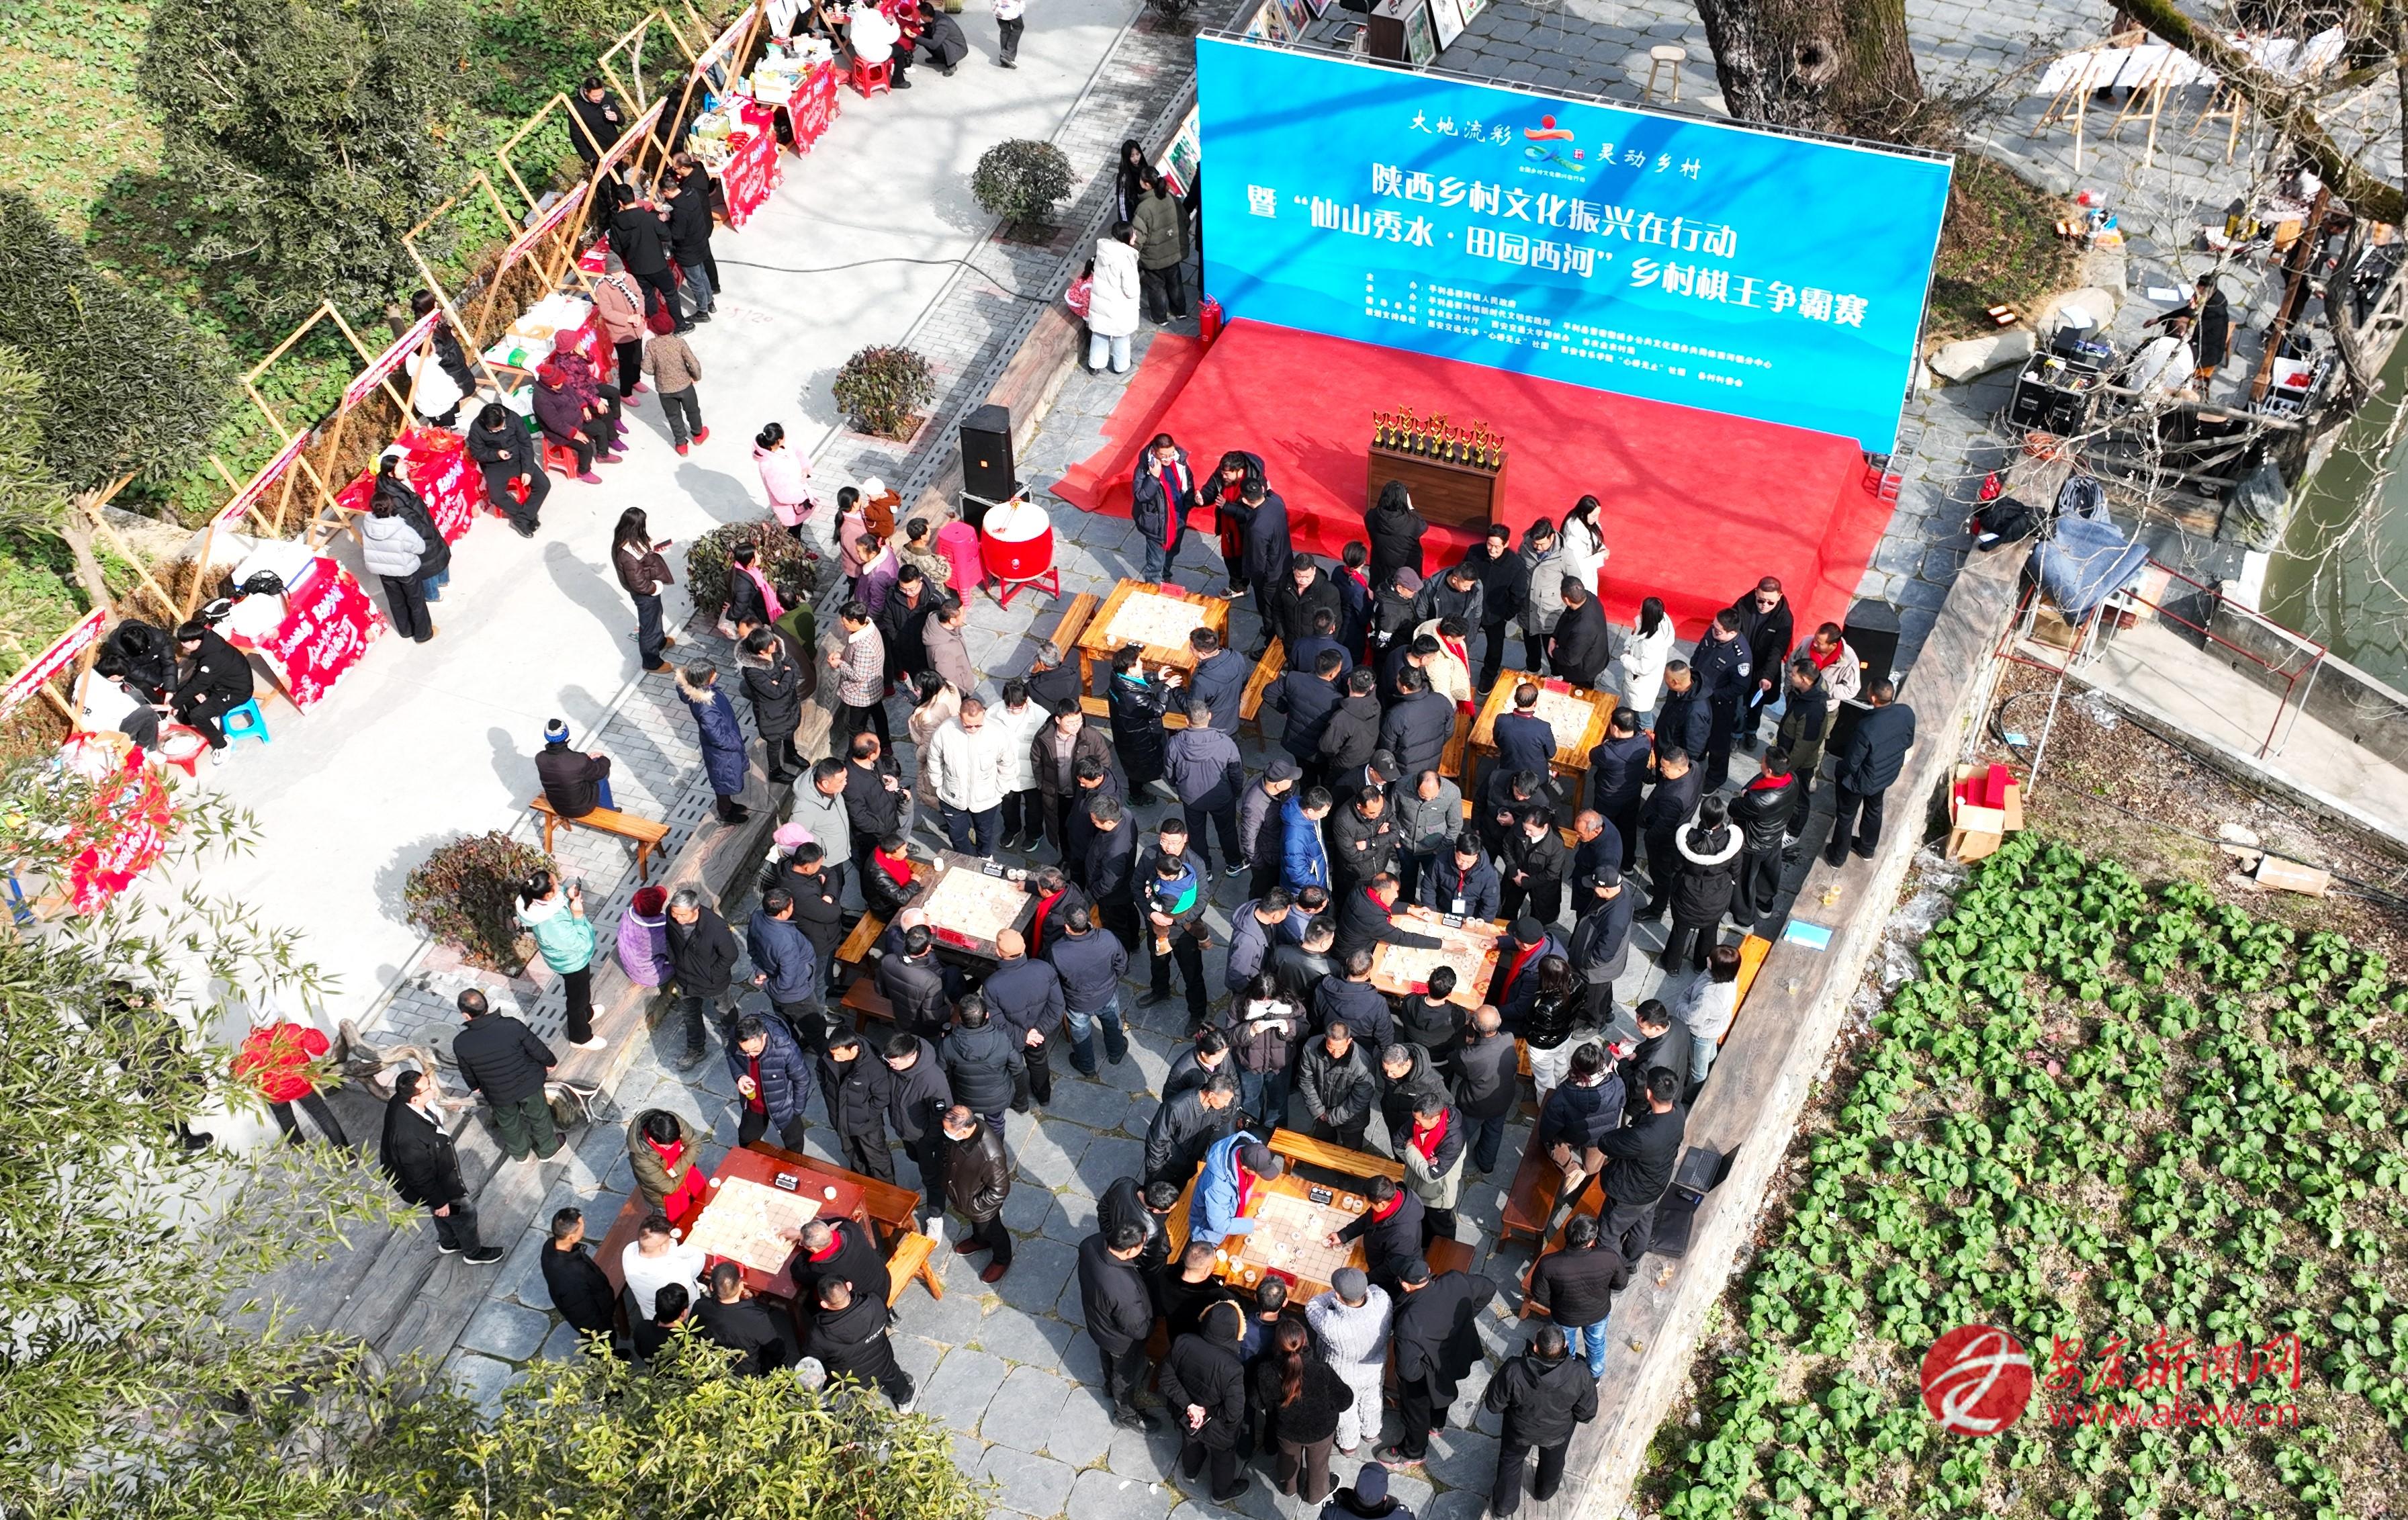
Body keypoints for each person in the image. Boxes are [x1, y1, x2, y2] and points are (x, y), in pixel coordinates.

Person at [1380, 1257, 1497, 1467]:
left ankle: (1413, 1452)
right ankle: (1437, 1424)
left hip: (1428, 1372)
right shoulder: (1455, 1280)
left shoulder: (1409, 1323)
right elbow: (1489, 1288)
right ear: (1428, 1272)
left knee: (1416, 1414)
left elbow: (1409, 1372)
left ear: (1405, 1285)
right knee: (1444, 1389)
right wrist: (1466, 1318)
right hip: (1456, 1353)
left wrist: (1425, 1370)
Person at [380, 1069, 502, 1263]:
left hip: (431, 1182)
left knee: (443, 1212)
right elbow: (420, 1177)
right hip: (438, 1185)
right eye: (428, 1087)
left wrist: (438, 1204)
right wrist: (439, 1201)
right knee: (464, 1213)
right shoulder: (410, 1138)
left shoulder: (401, 1101)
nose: (433, 1088)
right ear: (415, 1099)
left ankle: (449, 1242)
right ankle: (473, 1253)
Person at [1485, 1323, 1601, 1514]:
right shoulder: (1580, 1374)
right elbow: (1587, 1413)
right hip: (1557, 1433)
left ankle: (1504, 1507)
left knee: (1511, 1462)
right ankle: (1544, 1492)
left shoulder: (1514, 1369)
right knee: (1553, 1463)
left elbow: (1494, 1404)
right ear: (1565, 1347)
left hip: (1519, 1431)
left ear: (1536, 1347)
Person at [1251, 1313, 1353, 1503]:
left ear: (1277, 1345)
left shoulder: (1266, 1371)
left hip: (1286, 1430)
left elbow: (1257, 1402)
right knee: (1318, 1465)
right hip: (1321, 1431)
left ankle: (1289, 1488)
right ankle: (1316, 1495)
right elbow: (1345, 1400)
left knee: (1288, 1460)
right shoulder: (1321, 1370)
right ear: (1305, 1342)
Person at [449, 988, 560, 1161]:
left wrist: (475, 1086)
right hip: (528, 1083)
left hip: (498, 1092)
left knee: (509, 1123)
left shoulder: (461, 1042)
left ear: (466, 1015)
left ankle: (520, 1155)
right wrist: (550, 1061)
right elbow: (535, 1047)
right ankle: (547, 1150)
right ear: (486, 1006)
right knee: (539, 1116)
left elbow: (466, 1070)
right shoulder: (511, 1025)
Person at [1592, 1067, 1688, 1261]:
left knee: (1608, 1234)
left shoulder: (1642, 1137)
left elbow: (1606, 1143)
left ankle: (1612, 1269)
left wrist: (1627, 1128)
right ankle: (1630, 1263)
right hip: (1656, 1185)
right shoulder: (1678, 1112)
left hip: (1631, 1194)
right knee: (1642, 1227)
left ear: (1649, 1093)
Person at [1164, 1298, 1251, 1504]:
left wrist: (1190, 1406)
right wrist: (1207, 1412)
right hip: (1218, 1427)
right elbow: (1234, 1412)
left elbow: (1166, 1378)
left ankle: (1191, 1472)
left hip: (1188, 1415)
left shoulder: (1183, 1342)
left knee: (1190, 1441)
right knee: (1223, 1458)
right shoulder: (1233, 1368)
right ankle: (1221, 1493)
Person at [1523, 1213, 1628, 1380]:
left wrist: (1558, 1301)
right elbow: (1620, 1284)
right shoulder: (1609, 1257)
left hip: (1565, 1316)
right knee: (1596, 1345)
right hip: (1598, 1313)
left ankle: (1568, 1375)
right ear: (1591, 1241)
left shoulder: (1548, 1264)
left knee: (1565, 1346)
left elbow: (1540, 1293)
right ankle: (1595, 1376)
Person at [1826, 679, 1916, 866]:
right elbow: (1908, 742)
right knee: (1874, 809)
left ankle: (1837, 857)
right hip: (1885, 775)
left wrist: (1839, 771)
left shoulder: (1866, 727)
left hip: (1860, 780)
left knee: (1846, 816)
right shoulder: (1906, 712)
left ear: (1873, 697)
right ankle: (1867, 849)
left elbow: (1851, 763)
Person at [1079, 1222, 1161, 1429]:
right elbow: (1137, 1329)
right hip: (1122, 1341)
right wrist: (1151, 1326)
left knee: (1107, 1354)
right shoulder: (1124, 1289)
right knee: (1125, 1377)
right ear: (1130, 1251)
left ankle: (1109, 1384)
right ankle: (1126, 1415)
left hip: (1100, 1323)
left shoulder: (1090, 1244)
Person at [1305, 1267, 1393, 1458]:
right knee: (1373, 1398)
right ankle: (1371, 1432)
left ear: (1338, 1295)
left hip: (1343, 1373)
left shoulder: (1332, 1325)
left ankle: (1349, 1444)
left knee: (1346, 1409)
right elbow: (1375, 1289)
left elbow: (1312, 1306)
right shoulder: (1383, 1301)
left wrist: (1335, 1295)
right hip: (1374, 1366)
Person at [230, 1018, 350, 1147]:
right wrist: (309, 1033)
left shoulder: (250, 1045)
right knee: (322, 1115)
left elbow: (241, 1075)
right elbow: (320, 1047)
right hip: (301, 1084)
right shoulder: (292, 1031)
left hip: (273, 1091)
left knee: (284, 1118)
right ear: (276, 1017)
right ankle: (345, 1151)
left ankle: (298, 1146)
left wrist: (233, 1065)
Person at [517, 870, 601, 1050]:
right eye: (555, 884)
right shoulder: (553, 925)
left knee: (583, 991)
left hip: (568, 958)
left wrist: (567, 895)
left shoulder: (536, 901)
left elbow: (557, 896)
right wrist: (578, 916)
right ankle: (580, 1037)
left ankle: (588, 1013)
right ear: (548, 895)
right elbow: (580, 944)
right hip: (572, 962)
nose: (559, 884)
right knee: (577, 999)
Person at [803, 1277, 916, 1407]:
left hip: (852, 1381)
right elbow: (885, 1316)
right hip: (884, 1362)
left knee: (845, 1395)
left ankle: (858, 1411)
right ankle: (905, 1400)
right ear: (849, 1287)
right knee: (893, 1376)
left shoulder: (818, 1335)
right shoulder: (874, 1303)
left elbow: (813, 1360)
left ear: (824, 1304)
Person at [982, 928, 1063, 1109]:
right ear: (1024, 947)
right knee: (1039, 1063)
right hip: (1037, 1034)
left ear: (998, 952)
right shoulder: (1043, 969)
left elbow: (997, 1021)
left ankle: (1019, 1102)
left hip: (1011, 1038)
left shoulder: (992, 985)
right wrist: (1038, 1031)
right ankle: (1044, 1097)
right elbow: (1057, 1006)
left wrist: (1022, 1036)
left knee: (1012, 1068)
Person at [883, 1033, 954, 1230]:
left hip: (925, 1139)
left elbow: (941, 1116)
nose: (890, 1066)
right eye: (888, 1061)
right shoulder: (896, 1067)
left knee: (934, 1178)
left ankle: (936, 1216)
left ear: (912, 1057)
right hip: (906, 1131)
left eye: (894, 1063)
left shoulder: (933, 1080)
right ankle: (926, 1183)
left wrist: (928, 1141)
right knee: (917, 1161)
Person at [934, 1102, 1012, 1283]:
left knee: (993, 1230)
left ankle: (1002, 1259)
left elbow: (1000, 1190)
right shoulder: (964, 1133)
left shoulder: (991, 1155)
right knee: (978, 1226)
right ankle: (980, 1241)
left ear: (963, 1131)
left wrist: (974, 1206)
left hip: (980, 1206)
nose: (945, 1133)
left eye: (948, 1131)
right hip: (965, 1196)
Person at [1049, 906, 1130, 1073]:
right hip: (1107, 994)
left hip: (1077, 1002)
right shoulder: (1107, 937)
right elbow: (1121, 963)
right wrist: (1111, 981)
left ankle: (1087, 1067)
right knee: (1112, 1024)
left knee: (1081, 1035)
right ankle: (1116, 1053)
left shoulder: (1057, 951)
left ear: (1067, 927)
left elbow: (1053, 982)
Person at [664, 889, 739, 1069]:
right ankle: (696, 1049)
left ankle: (733, 1037)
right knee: (690, 1015)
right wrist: (674, 960)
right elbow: (670, 937)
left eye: (682, 915)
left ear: (696, 910)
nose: (677, 918)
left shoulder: (716, 928)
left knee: (725, 1008)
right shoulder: (671, 915)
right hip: (684, 978)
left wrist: (713, 975)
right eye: (675, 914)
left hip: (713, 981)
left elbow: (730, 955)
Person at [746, 887, 824, 1051]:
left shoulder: (757, 917)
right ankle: (824, 1056)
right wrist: (767, 984)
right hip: (797, 994)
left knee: (785, 1023)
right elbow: (787, 981)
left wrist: (761, 972)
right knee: (815, 1030)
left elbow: (753, 949)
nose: (793, 907)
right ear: (783, 913)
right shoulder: (786, 943)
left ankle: (794, 1047)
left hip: (777, 988)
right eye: (791, 905)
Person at [675, 664, 752, 825]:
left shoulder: (703, 693)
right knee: (723, 781)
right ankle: (725, 813)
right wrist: (735, 743)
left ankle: (729, 805)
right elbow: (717, 737)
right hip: (722, 752)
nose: (716, 675)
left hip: (723, 745)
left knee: (725, 779)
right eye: (712, 674)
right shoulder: (706, 708)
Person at [817, 1029, 897, 1183]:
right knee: (852, 1153)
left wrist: (865, 1115)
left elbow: (882, 1098)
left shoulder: (874, 1067)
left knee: (877, 1159)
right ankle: (860, 1183)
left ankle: (885, 1189)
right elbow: (820, 1072)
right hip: (840, 1119)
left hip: (866, 1125)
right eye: (833, 1054)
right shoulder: (829, 1052)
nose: (835, 1058)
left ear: (854, 1049)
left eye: (840, 1055)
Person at [1730, 748, 1800, 921]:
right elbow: (1760, 779)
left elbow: (1733, 808)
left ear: (1769, 770)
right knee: (1768, 874)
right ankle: (1764, 905)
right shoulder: (1792, 780)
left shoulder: (1758, 801)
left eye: (1762, 761)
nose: (1760, 762)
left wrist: (1744, 794)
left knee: (1744, 881)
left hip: (1754, 843)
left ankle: (1744, 920)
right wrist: (1748, 790)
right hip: (1775, 836)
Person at [1222, 974, 1300, 1128]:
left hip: (1279, 1066)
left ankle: (1274, 1131)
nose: (1265, 1002)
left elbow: (1304, 1027)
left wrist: (1289, 1028)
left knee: (1278, 1101)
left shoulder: (1290, 1003)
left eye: (1269, 1000)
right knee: (1249, 1100)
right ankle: (1251, 1128)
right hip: (1249, 1065)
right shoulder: (1239, 1004)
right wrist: (1250, 1030)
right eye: (1261, 1000)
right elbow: (1228, 1036)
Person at [693, 1261, 797, 1376]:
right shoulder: (757, 1319)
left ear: (712, 1287)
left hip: (713, 1364)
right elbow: (776, 1348)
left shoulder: (699, 1307)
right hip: (746, 1372)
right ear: (741, 1285)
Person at [1636, 748, 1704, 921]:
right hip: (1679, 828)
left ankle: (1656, 909)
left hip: (1665, 840)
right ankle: (1666, 890)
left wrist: (1649, 838)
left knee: (1660, 874)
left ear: (1680, 769)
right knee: (1672, 869)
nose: (1661, 770)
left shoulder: (1674, 798)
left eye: (1665, 768)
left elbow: (1662, 828)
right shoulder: (1695, 768)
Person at [169, 619, 255, 756]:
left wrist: (172, 704)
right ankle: (209, 718)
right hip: (221, 682)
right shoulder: (208, 641)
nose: (182, 645)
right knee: (184, 687)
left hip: (236, 692)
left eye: (184, 642)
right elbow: (201, 677)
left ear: (195, 641)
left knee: (197, 715)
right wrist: (198, 690)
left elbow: (201, 680)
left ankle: (222, 744)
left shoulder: (213, 659)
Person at [1143, 1071, 1241, 1186]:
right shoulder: (1175, 1108)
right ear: (1211, 1095)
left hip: (1192, 1164)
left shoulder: (1218, 1106)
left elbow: (1218, 1122)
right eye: (1225, 1100)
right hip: (1168, 1167)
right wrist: (1155, 1173)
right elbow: (1156, 1141)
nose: (1227, 1104)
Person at [940, 995, 1021, 1132]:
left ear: (960, 1018)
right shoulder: (1001, 1038)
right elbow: (1017, 1066)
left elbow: (943, 1073)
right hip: (997, 1098)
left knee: (966, 1125)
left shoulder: (948, 1044)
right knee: (996, 1125)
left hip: (965, 1097)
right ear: (987, 1015)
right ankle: (995, 1145)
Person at [609, 508, 675, 676]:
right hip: (646, 593)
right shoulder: (627, 555)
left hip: (649, 590)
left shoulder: (627, 539)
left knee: (656, 615)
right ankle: (651, 662)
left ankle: (659, 641)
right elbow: (639, 584)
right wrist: (655, 588)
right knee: (649, 626)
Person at [541, 1208, 617, 1351]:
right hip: (598, 1319)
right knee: (605, 1345)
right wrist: (599, 1328)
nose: (585, 1226)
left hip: (594, 1302)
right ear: (571, 1237)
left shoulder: (550, 1246)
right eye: (583, 1225)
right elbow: (585, 1315)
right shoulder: (571, 1278)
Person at [1296, 1019, 1374, 1150]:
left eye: (1341, 1049)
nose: (1336, 1054)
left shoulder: (1363, 1063)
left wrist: (1331, 1117)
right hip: (1322, 1109)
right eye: (1331, 1048)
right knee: (1322, 1146)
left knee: (1351, 1151)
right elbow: (1306, 1081)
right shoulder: (1311, 1047)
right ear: (1325, 1038)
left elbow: (1360, 1099)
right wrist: (1319, 1111)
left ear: (1349, 1041)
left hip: (1352, 1118)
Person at [1677, 942, 1744, 1091]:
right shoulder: (1729, 976)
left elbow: (1691, 1017)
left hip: (1702, 1034)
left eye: (1711, 960)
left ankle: (1692, 1094)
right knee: (1710, 1053)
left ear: (1719, 969)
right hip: (1715, 1028)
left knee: (1698, 1070)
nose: (1707, 959)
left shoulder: (1710, 997)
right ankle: (1711, 1066)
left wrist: (1681, 1004)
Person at [1192, 1133, 1282, 1244]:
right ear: (1244, 1167)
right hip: (1207, 1230)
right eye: (1257, 1172)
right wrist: (1252, 1225)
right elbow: (1219, 1225)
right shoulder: (1218, 1187)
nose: (1258, 1176)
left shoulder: (1250, 1149)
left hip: (1227, 1209)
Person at [1774, 658, 1831, 831]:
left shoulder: (1813, 710)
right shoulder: (1802, 694)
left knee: (1799, 799)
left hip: (1798, 765)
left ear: (1805, 679)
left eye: (1793, 674)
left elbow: (1804, 747)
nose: (1790, 676)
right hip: (1787, 757)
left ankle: (1794, 832)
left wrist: (1787, 768)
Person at [1130, 432, 1196, 584]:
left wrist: (1191, 502)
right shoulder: (1144, 468)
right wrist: (1154, 477)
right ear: (1154, 452)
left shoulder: (1179, 461)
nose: (1168, 459)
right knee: (1155, 563)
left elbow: (1188, 483)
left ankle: (1165, 577)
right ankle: (1153, 588)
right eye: (1164, 456)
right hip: (1157, 523)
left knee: (1172, 552)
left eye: (1171, 454)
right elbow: (1141, 496)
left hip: (1178, 517)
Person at [532, 362, 611, 482]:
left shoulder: (561, 384)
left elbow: (574, 394)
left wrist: (584, 407)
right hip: (560, 432)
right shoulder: (541, 399)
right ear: (550, 385)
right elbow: (555, 424)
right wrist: (575, 434)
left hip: (577, 419)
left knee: (600, 427)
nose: (562, 384)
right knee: (586, 447)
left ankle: (603, 455)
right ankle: (583, 472)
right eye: (558, 384)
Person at [628, 1107, 708, 1225]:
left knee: (701, 1205)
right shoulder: (641, 1159)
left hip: (686, 1183)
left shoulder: (672, 1121)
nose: (671, 1147)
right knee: (679, 1225)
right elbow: (669, 1188)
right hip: (665, 1200)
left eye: (675, 1143)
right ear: (652, 1140)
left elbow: (695, 1144)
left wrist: (675, 1170)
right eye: (666, 1147)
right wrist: (685, 1158)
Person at [1130, 167, 1190, 322]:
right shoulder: (1171, 198)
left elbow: (1138, 238)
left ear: (1147, 184)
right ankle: (1180, 311)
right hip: (1174, 251)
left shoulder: (1143, 209)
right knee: (1175, 283)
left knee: (1156, 288)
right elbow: (1185, 221)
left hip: (1153, 258)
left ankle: (1160, 317)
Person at [829, 600, 891, 749]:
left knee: (855, 728)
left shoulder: (864, 646)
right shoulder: (869, 627)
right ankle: (885, 743)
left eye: (845, 623)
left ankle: (853, 755)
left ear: (855, 621)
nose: (843, 625)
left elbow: (858, 676)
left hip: (862, 694)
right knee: (878, 714)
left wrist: (839, 664)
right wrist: (842, 655)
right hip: (874, 687)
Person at [660, 165, 717, 323]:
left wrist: (665, 222)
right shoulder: (690, 194)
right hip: (700, 244)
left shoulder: (680, 210)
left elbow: (677, 235)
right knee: (703, 275)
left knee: (695, 282)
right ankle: (710, 302)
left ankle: (702, 311)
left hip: (688, 251)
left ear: (666, 192)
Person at [640, 322, 707, 453]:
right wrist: (696, 377)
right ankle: (698, 434)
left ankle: (681, 444)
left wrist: (658, 372)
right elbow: (693, 363)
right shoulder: (679, 342)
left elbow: (646, 368)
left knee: (673, 416)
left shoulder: (651, 345)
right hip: (685, 386)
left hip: (665, 389)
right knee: (692, 410)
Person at [1499, 805, 1571, 925]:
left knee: (1538, 918)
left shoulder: (1557, 845)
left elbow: (1552, 873)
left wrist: (1525, 882)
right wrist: (1513, 870)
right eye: (1525, 829)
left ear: (1545, 827)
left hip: (1541, 884)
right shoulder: (1520, 826)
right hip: (1518, 874)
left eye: (1531, 830)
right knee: (1509, 907)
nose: (1526, 833)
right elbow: (1507, 844)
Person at [1088, 222, 1143, 373]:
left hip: (1101, 302)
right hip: (1119, 305)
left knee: (1100, 333)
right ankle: (1121, 366)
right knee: (1121, 336)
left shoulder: (1103, 250)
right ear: (1126, 236)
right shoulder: (1127, 257)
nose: (1135, 236)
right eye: (1133, 233)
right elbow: (1130, 289)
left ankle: (1095, 365)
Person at [592, 254, 646, 398]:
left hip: (637, 327)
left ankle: (636, 380)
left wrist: (639, 314)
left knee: (637, 357)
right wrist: (628, 319)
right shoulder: (603, 288)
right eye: (614, 272)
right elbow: (606, 312)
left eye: (620, 270)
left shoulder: (629, 278)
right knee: (626, 363)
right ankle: (625, 393)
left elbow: (639, 296)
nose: (618, 274)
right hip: (620, 332)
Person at [1615, 595, 1674, 727]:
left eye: (1641, 611)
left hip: (1642, 688)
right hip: (1640, 682)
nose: (1638, 613)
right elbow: (1635, 635)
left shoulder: (1651, 643)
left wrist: (1625, 658)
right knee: (1638, 715)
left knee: (1643, 720)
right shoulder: (1657, 621)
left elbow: (1643, 668)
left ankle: (1645, 738)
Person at [1364, 479, 1427, 588]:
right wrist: (1411, 508)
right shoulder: (1412, 523)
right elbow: (1423, 526)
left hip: (1381, 566)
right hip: (1405, 569)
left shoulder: (1371, 516)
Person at [1549, 578, 1611, 688]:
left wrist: (1554, 652)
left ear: (1566, 600)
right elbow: (1567, 614)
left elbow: (1570, 659)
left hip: (1583, 670)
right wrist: (1555, 636)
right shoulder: (1589, 597)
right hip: (1595, 654)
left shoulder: (1582, 628)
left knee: (1579, 692)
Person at [1558, 494, 1609, 598]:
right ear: (1584, 514)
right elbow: (1578, 565)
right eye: (1594, 516)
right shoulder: (1573, 539)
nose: (1597, 519)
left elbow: (1594, 537)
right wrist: (1600, 556)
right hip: (1580, 581)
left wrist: (1601, 548)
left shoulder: (1586, 523)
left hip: (1588, 577)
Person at [568, 75, 625, 161]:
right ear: (586, 92)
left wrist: (616, 118)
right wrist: (589, 157)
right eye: (594, 96)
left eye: (601, 94)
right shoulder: (577, 108)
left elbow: (622, 120)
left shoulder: (607, 97)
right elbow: (576, 135)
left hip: (615, 145)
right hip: (597, 152)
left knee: (619, 169)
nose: (599, 98)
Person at [910, 0, 969, 72]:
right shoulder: (935, 14)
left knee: (929, 43)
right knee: (924, 37)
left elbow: (933, 45)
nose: (919, 18)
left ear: (926, 16)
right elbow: (930, 27)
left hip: (957, 49)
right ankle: (938, 58)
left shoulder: (942, 24)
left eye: (920, 16)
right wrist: (923, 27)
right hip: (947, 41)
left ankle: (951, 65)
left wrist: (916, 38)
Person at [992, 0, 1024, 65]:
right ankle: (1008, 55)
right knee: (1018, 27)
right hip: (1010, 7)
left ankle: (1005, 61)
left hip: (998, 8)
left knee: (1005, 31)